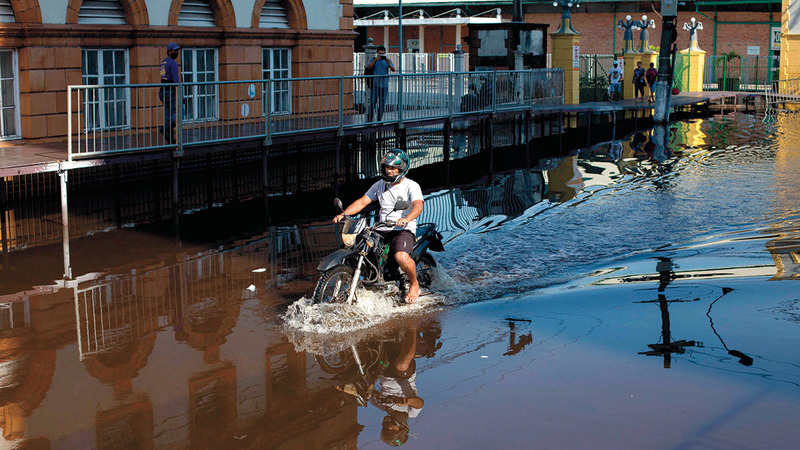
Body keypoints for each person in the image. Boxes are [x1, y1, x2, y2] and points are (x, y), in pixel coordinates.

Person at [333, 149, 424, 303]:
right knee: (362, 249)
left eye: (393, 168)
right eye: (387, 167)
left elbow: (418, 206)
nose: (389, 171)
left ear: (402, 169)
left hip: (402, 229)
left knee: (400, 256)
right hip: (381, 228)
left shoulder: (411, 186)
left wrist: (406, 218)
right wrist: (344, 215)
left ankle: (414, 284)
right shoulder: (379, 185)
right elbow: (363, 201)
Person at [365, 46, 395, 122]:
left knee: (382, 103)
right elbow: (369, 67)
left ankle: (379, 119)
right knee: (372, 102)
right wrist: (375, 60)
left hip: (384, 85)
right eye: (380, 53)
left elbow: (393, 69)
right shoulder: (374, 60)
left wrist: (388, 63)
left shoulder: (387, 60)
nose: (381, 55)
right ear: (377, 53)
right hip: (375, 85)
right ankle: (369, 119)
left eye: (382, 53)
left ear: (385, 53)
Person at [159, 42, 181, 144]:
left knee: (167, 114)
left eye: (177, 50)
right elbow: (176, 79)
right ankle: (165, 129)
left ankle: (170, 139)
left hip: (163, 90)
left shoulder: (163, 62)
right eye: (174, 50)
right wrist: (181, 95)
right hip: (171, 90)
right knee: (178, 114)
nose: (176, 52)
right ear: (169, 51)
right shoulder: (173, 63)